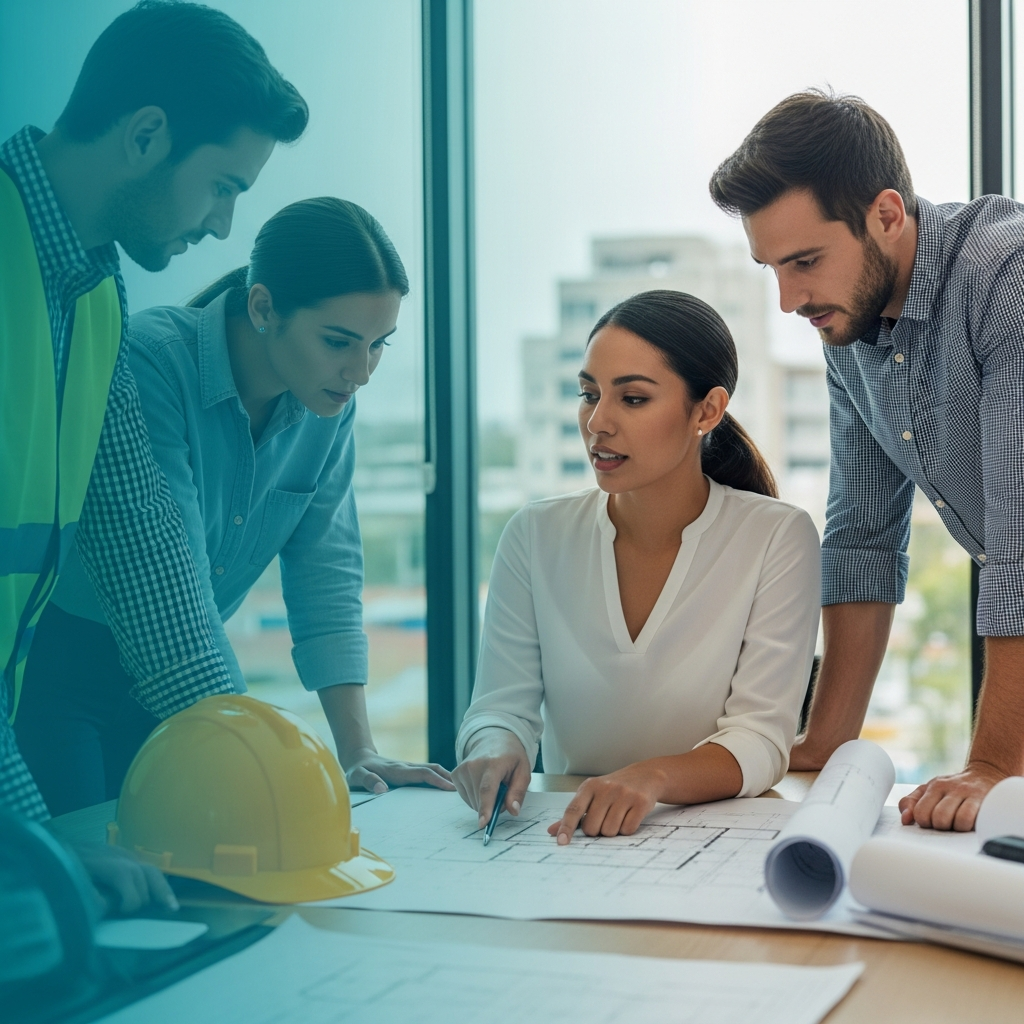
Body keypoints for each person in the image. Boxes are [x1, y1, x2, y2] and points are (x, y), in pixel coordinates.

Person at [0, 0, 307, 912]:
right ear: (144, 135)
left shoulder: (96, 298)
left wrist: (257, 771)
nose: (221, 230)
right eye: (222, 186)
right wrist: (33, 844)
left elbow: (143, 545)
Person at [17, 197, 454, 811]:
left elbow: (325, 573)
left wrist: (358, 750)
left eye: (379, 344)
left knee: (186, 881)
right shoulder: (150, 361)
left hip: (183, 682)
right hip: (69, 678)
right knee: (92, 877)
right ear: (264, 307)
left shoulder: (328, 406)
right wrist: (253, 758)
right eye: (338, 341)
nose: (360, 371)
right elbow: (174, 587)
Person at [709, 89, 1024, 832]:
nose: (789, 298)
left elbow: (1022, 542)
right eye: (772, 268)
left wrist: (995, 763)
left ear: (887, 214)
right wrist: (824, 740)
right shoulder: (849, 330)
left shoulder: (1006, 278)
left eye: (806, 261)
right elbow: (861, 540)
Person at [452, 290, 820, 842]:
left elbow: (761, 740)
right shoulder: (535, 535)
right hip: (567, 839)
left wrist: (652, 778)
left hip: (711, 841)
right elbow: (499, 707)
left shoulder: (778, 537)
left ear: (707, 410)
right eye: (588, 394)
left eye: (633, 399)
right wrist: (494, 745)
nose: (597, 422)